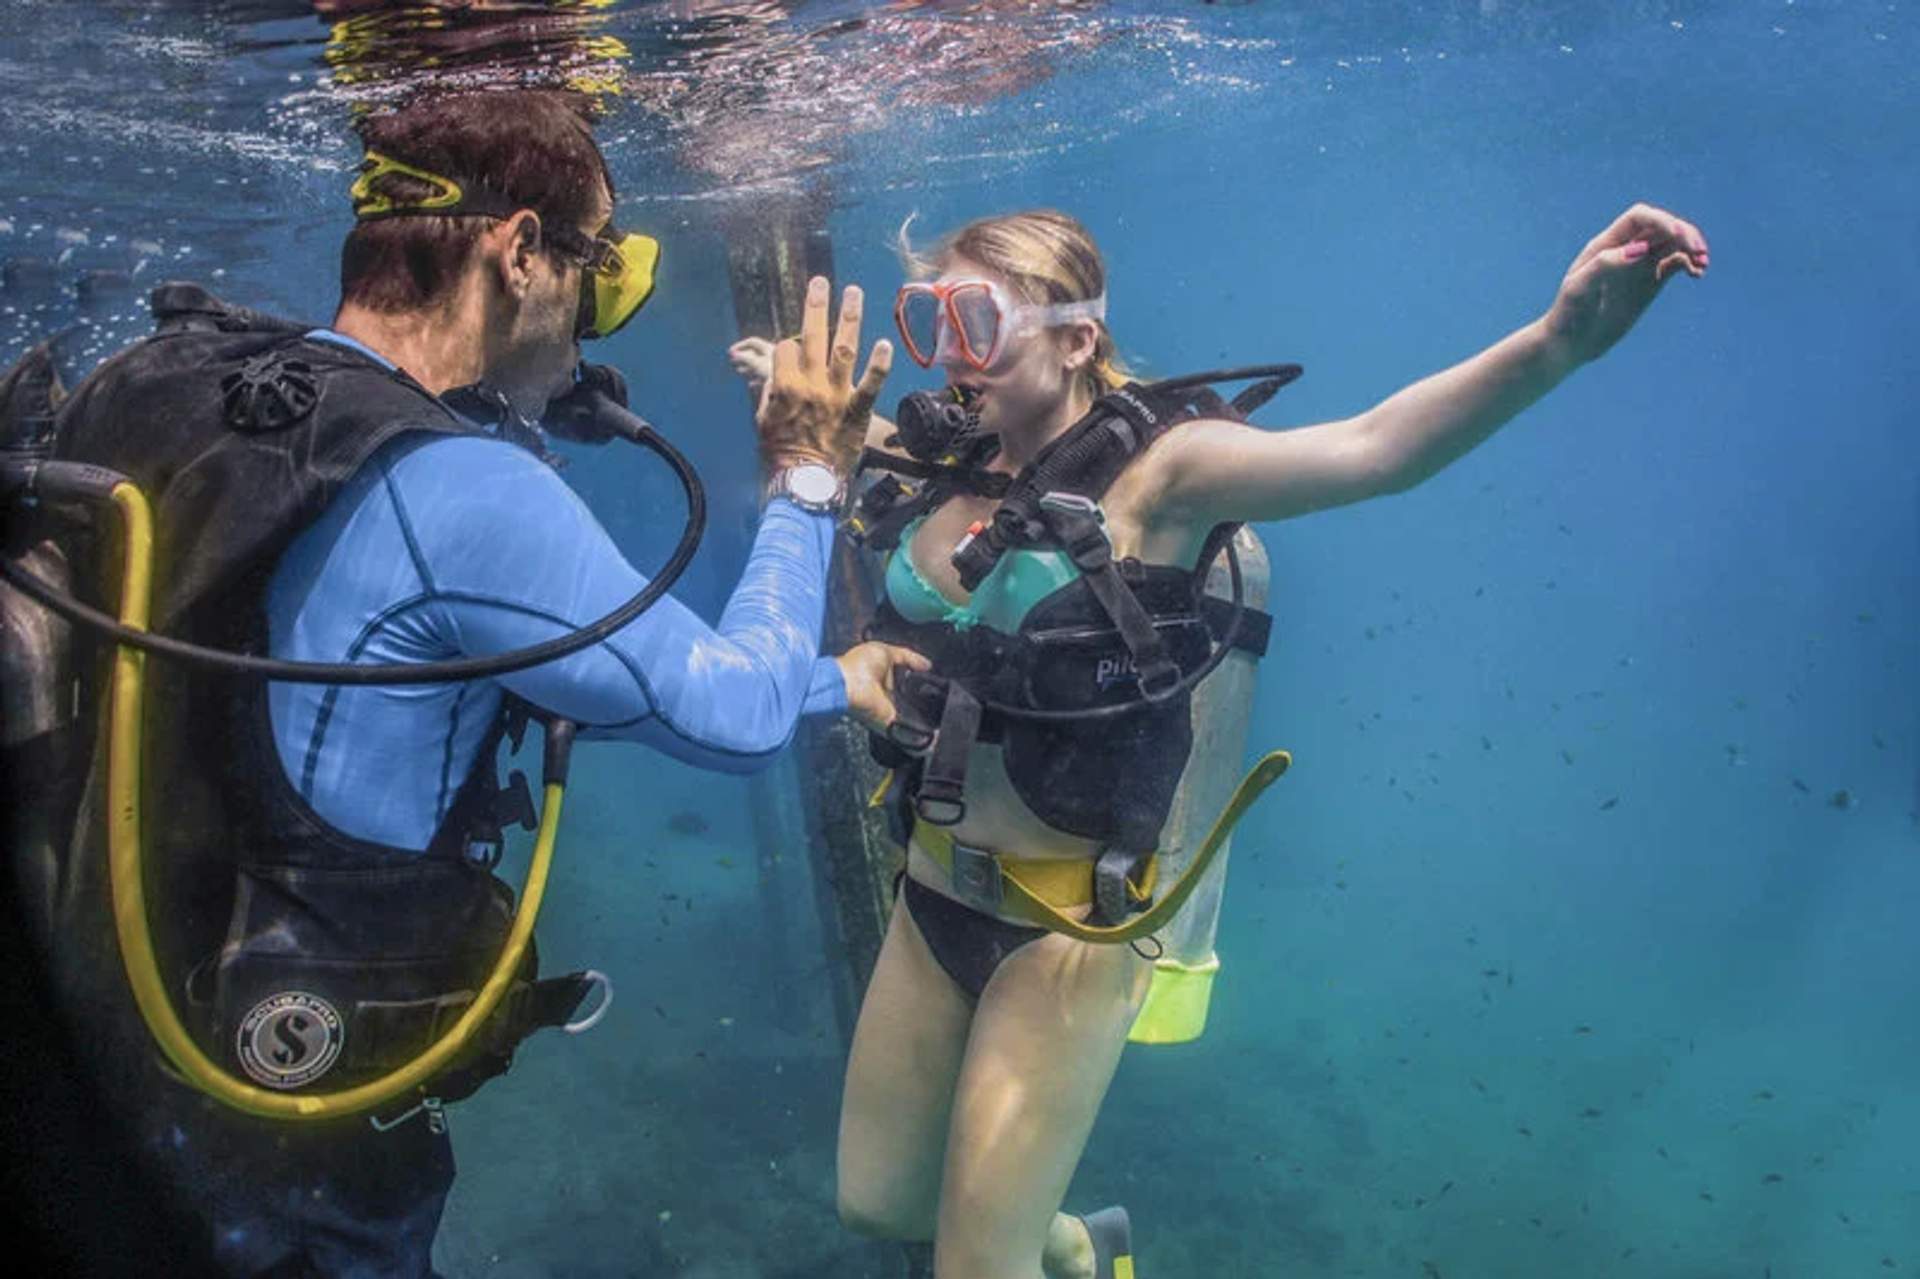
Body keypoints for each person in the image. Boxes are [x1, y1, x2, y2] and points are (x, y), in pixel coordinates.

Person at [8, 89, 913, 1277]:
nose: (600, 321)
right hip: (293, 1162)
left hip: (102, 1067)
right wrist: (806, 483)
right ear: (520, 249)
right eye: (599, 273)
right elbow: (738, 712)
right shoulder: (465, 491)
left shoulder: (180, 384)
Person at [736, 201, 1709, 1278]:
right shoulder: (951, 459)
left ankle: (1032, 1245)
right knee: (878, 1205)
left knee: (973, 1269)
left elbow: (1375, 449)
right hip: (933, 895)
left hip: (1069, 931)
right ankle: (1073, 1244)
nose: (950, 358)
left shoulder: (1168, 477)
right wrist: (795, 409)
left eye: (975, 320)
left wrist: (1559, 338)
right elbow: (852, 444)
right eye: (931, 323)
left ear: (1076, 337)